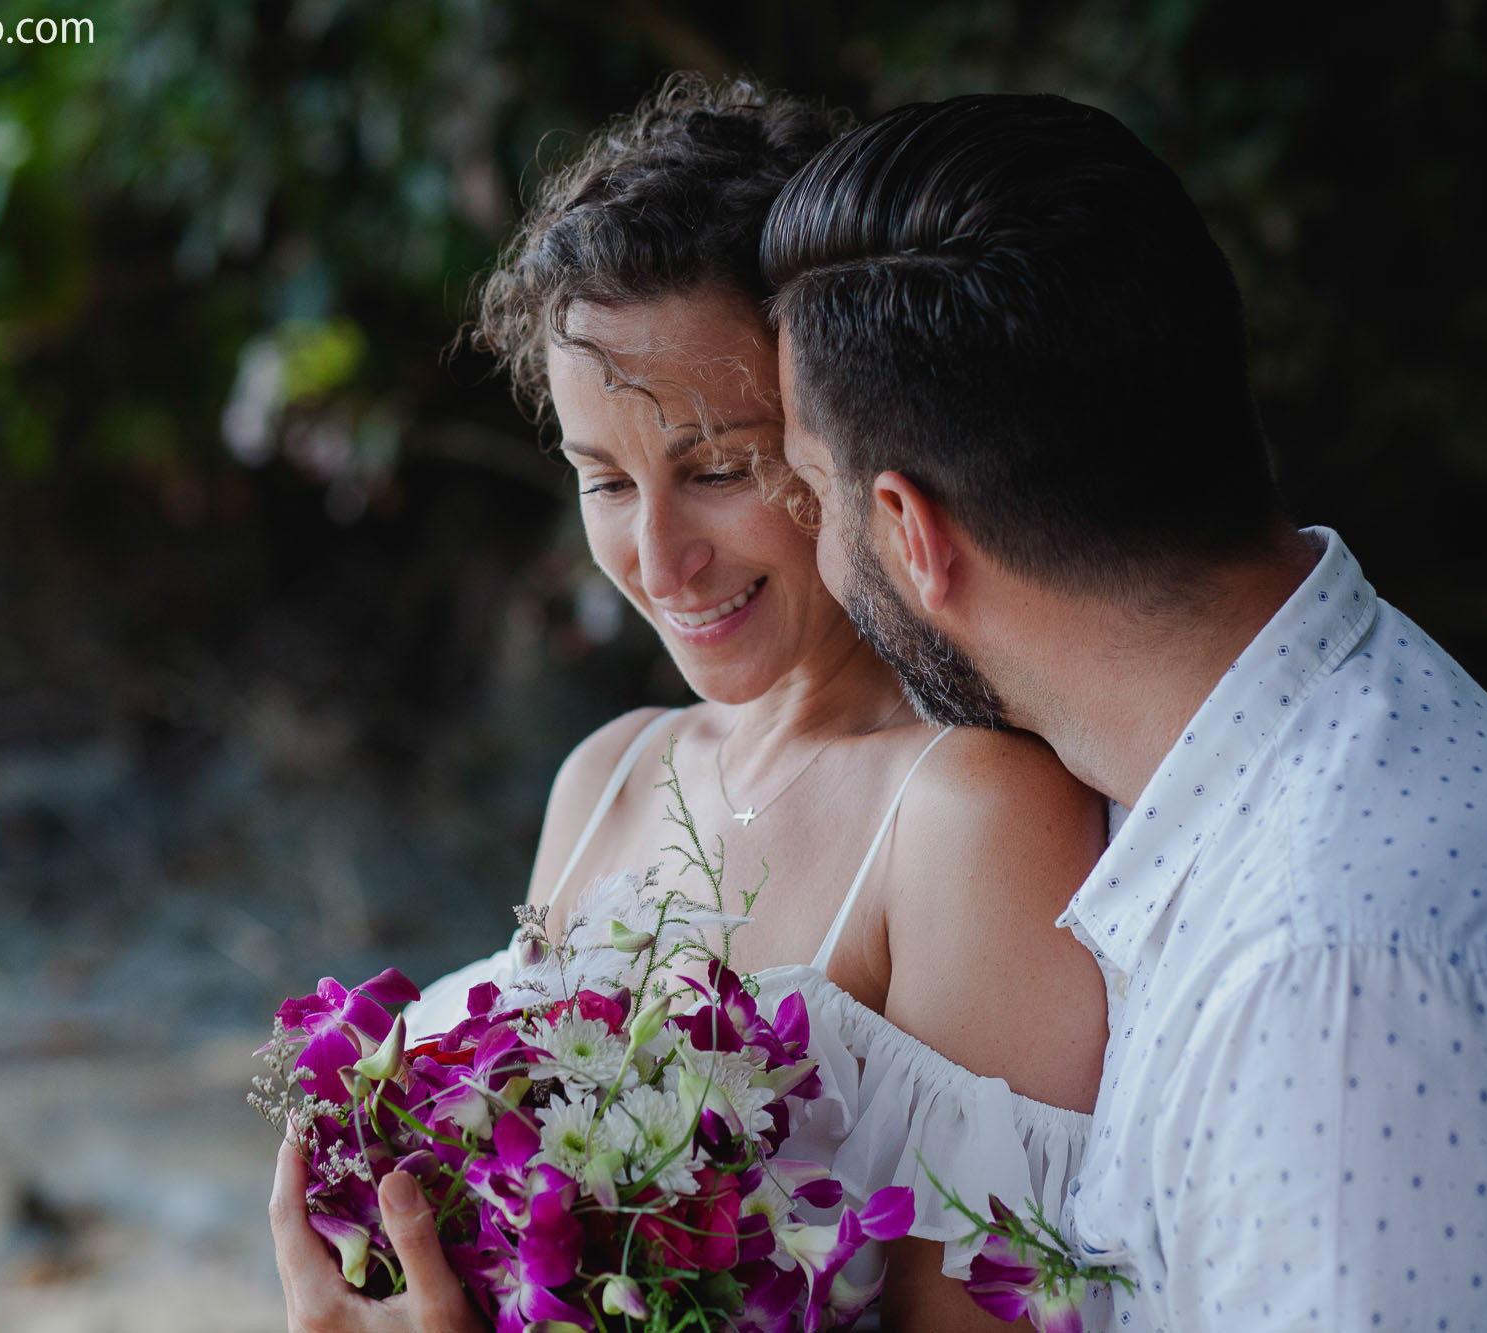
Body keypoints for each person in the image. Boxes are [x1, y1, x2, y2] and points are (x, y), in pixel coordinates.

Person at [759, 91, 1487, 1330]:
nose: (811, 553)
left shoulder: (1342, 990)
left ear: (908, 532)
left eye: (811, 490)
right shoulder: (1264, 767)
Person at [270, 77, 1113, 1333]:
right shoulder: (606, 775)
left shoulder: (972, 813)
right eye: (604, 481)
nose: (658, 565)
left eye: (716, 468)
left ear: (845, 425)